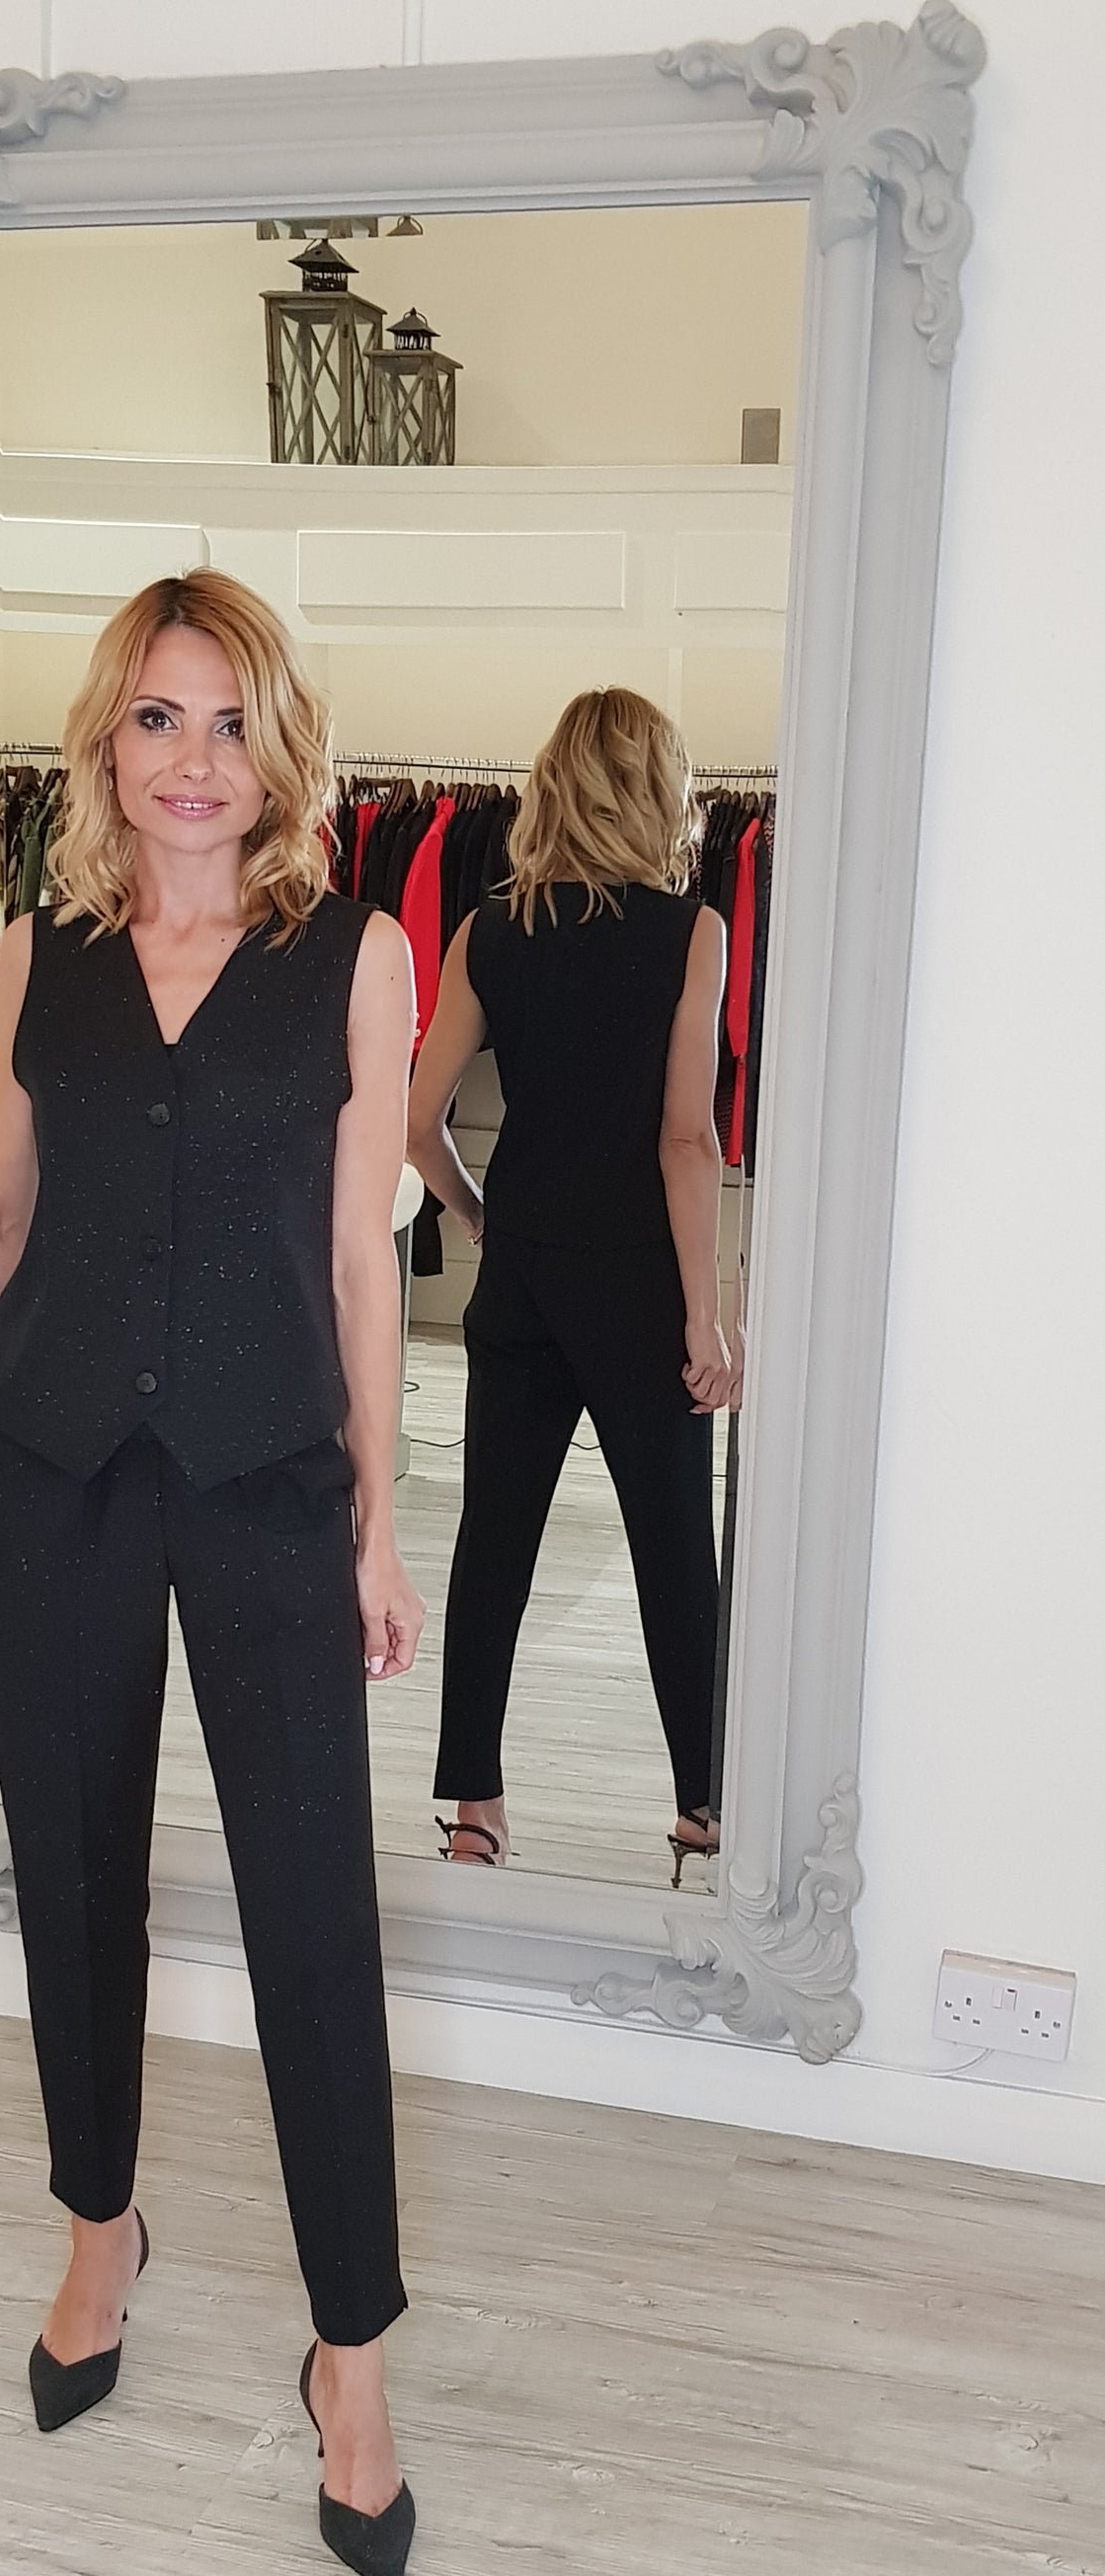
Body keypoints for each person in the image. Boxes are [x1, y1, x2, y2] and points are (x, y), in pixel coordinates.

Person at [0, 571, 424, 2576]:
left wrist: (375, 1517)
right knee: (73, 1878)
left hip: (267, 1479)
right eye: (156, 718)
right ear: (107, 745)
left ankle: (352, 2351)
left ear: (273, 748)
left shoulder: (356, 956)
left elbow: (363, 1257)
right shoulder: (36, 954)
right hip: (51, 1474)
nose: (192, 761)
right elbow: (2, 1201)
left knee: (313, 1919)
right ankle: (97, 2229)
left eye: (227, 722)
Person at [407, 686, 738, 1887]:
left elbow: (415, 1122)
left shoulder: (488, 930)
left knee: (491, 1543)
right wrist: (702, 1316)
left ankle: (473, 1811)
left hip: (523, 1283)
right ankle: (701, 1805)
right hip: (637, 1289)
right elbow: (684, 1141)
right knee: (672, 1552)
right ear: (655, 792)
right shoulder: (689, 933)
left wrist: (479, 1217)